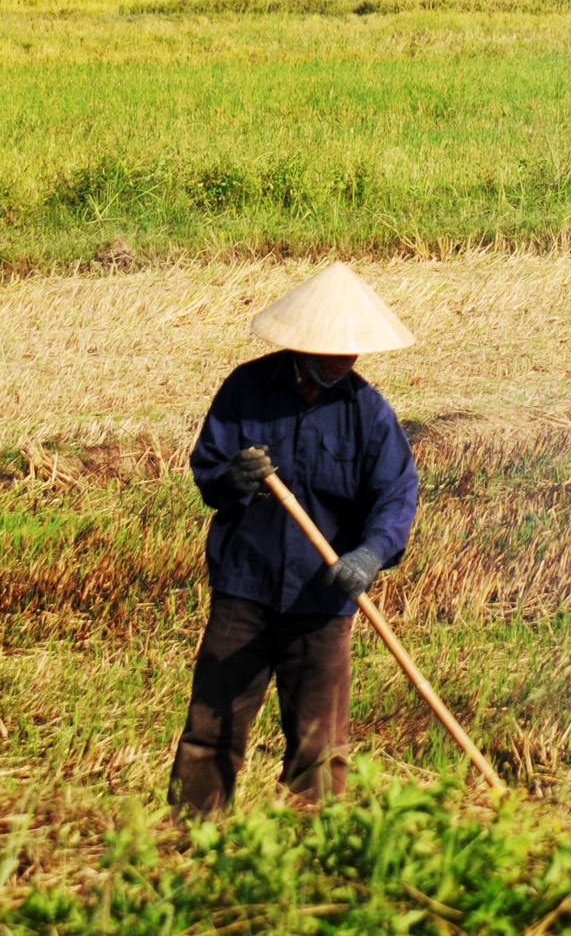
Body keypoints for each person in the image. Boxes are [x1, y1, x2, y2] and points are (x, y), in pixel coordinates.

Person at [169, 261, 420, 815]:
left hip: (323, 600)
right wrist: (231, 478)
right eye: (337, 350)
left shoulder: (368, 413)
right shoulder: (246, 390)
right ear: (304, 345)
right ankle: (191, 841)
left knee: (320, 750)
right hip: (245, 588)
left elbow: (396, 497)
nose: (348, 359)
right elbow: (209, 471)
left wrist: (370, 554)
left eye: (354, 351)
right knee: (212, 731)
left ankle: (310, 858)